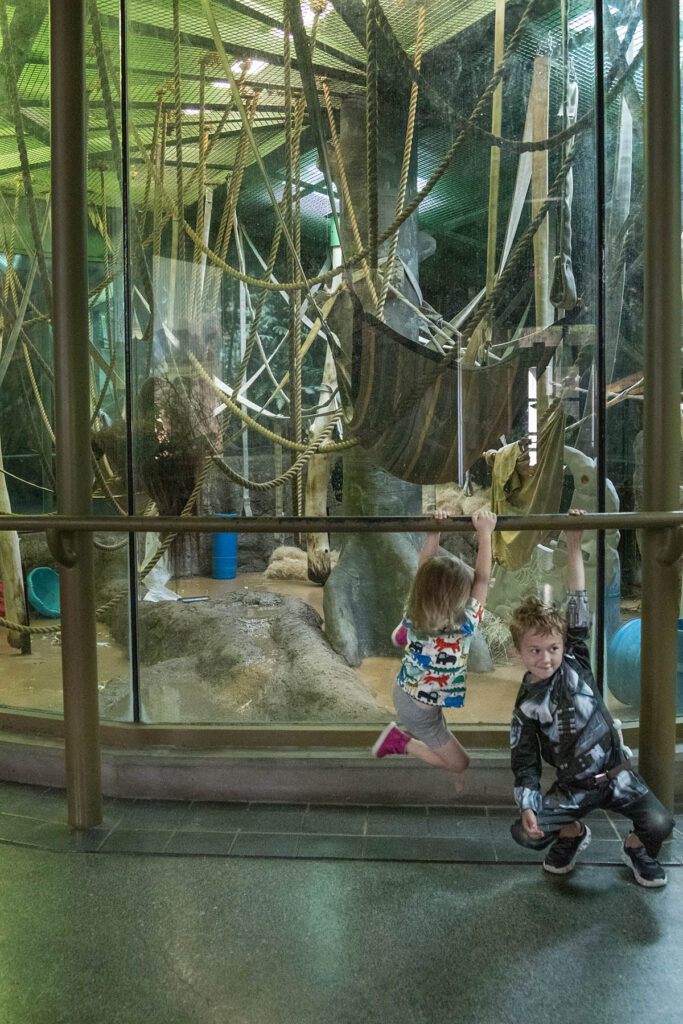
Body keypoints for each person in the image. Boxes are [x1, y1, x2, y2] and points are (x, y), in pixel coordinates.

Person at [509, 509, 675, 887]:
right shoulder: (526, 707)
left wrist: (573, 543)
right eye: (535, 651)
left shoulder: (577, 659)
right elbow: (525, 763)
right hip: (573, 786)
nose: (546, 657)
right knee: (525, 834)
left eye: (552, 647)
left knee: (661, 824)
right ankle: (572, 833)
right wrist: (529, 807)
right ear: (519, 651)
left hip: (616, 775)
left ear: (564, 643)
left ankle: (635, 848)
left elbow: (577, 600)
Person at [371, 508, 497, 788]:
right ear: (460, 599)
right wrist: (485, 534)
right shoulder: (465, 628)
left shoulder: (417, 609)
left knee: (411, 624)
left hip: (409, 692)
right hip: (419, 714)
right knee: (461, 763)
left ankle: (401, 635)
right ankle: (399, 742)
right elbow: (483, 579)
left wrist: (433, 530)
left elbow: (425, 563)